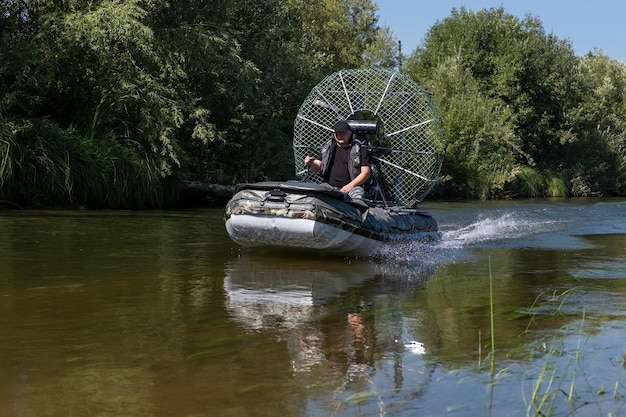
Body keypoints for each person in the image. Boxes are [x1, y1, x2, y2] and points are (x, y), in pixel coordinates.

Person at [304, 120, 371, 200]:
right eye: (337, 133)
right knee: (317, 196)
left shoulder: (359, 149)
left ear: (350, 133)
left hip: (352, 187)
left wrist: (350, 186)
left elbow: (366, 172)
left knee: (358, 198)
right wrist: (311, 163)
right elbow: (317, 166)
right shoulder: (328, 147)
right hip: (329, 186)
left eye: (343, 133)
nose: (340, 136)